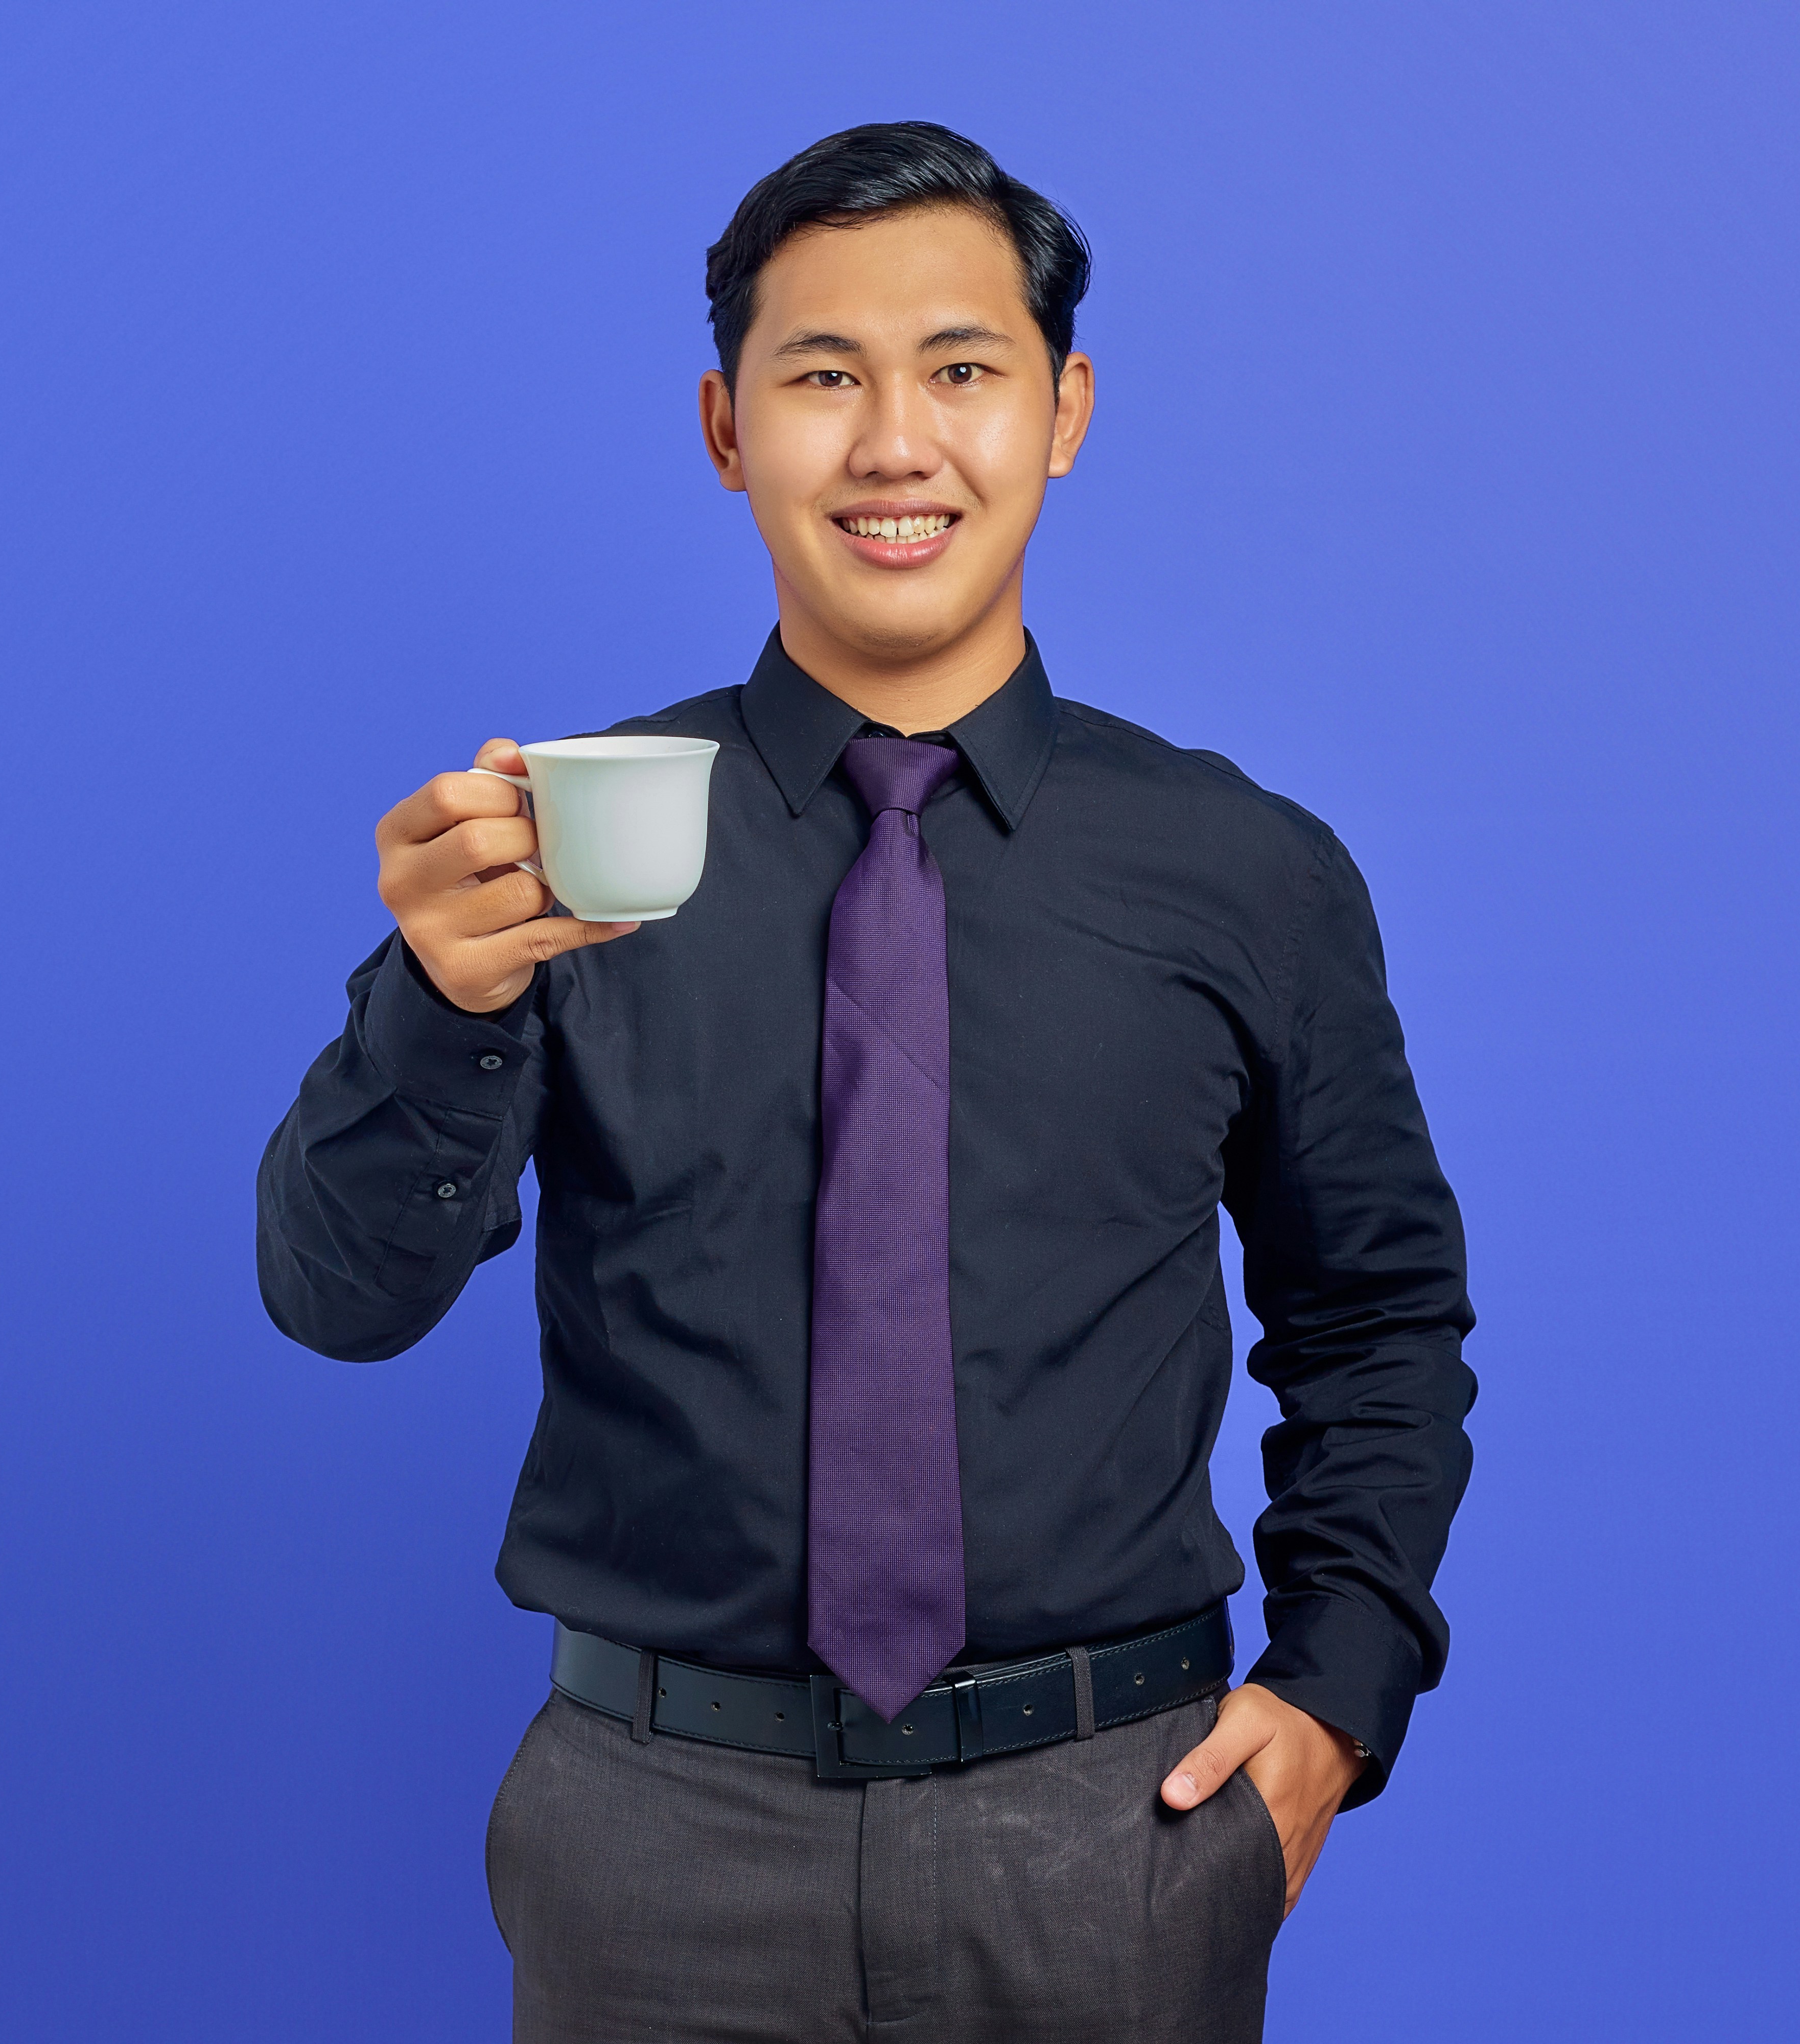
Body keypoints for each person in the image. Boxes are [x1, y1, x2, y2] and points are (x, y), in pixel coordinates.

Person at [257, 121, 1474, 2042]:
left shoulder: (1247, 870)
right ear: (730, 427)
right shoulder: (557, 844)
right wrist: (438, 992)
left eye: (963, 371)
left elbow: (1381, 1317)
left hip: (1113, 1829)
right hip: (653, 1834)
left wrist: (1336, 1696)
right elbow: (340, 1302)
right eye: (823, 376)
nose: (896, 443)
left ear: (1063, 411)